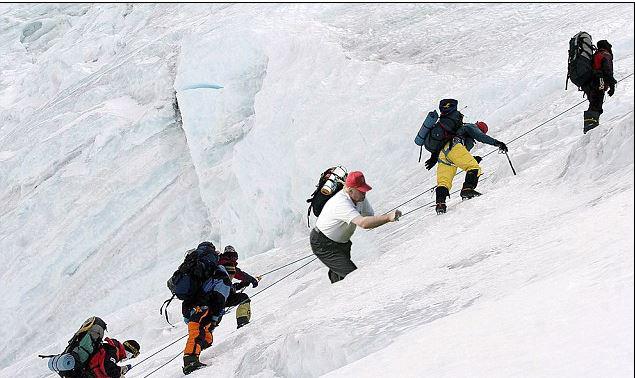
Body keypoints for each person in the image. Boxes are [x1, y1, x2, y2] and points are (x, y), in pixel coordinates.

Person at [310, 171, 402, 283]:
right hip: (323, 244)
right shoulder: (341, 202)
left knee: (342, 280)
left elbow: (369, 219)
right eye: (361, 190)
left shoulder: (360, 198)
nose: (365, 193)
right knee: (354, 278)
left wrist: (386, 218)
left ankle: (338, 298)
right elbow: (363, 223)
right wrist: (388, 218)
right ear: (350, 190)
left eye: (365, 190)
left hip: (342, 243)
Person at [423, 99, 508, 214]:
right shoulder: (471, 127)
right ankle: (467, 190)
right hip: (453, 148)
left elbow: (460, 156)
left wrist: (471, 158)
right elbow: (479, 138)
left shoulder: (462, 133)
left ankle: (440, 204)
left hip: (443, 155)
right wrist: (497, 143)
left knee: (444, 182)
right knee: (474, 168)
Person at [181, 241, 232, 375]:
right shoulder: (218, 272)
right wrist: (215, 317)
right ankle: (190, 361)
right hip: (202, 304)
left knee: (204, 334)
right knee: (197, 330)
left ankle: (195, 348)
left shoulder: (194, 267)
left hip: (189, 305)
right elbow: (220, 297)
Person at [219, 245, 260, 329]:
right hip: (221, 298)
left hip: (210, 298)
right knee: (244, 298)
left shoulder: (217, 264)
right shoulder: (227, 264)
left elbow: (223, 285)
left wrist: (240, 285)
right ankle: (242, 322)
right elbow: (240, 274)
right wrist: (252, 280)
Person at [582, 39, 616, 133]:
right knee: (596, 103)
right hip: (599, 82)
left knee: (594, 103)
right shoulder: (605, 55)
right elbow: (607, 71)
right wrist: (612, 86)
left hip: (590, 84)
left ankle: (590, 128)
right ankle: (591, 129)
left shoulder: (596, 55)